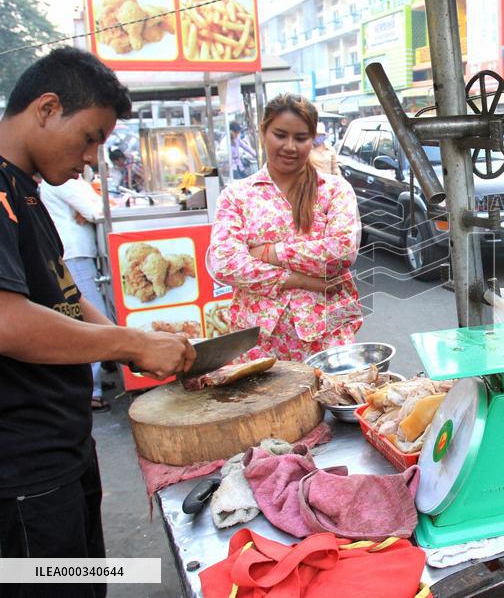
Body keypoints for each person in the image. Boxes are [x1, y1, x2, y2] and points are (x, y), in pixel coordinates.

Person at [0, 47, 195, 598]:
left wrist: (135, 345)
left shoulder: (27, 193)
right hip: (20, 471)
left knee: (88, 582)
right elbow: (8, 323)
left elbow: (62, 295)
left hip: (61, 451)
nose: (91, 158)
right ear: (45, 108)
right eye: (89, 136)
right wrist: (130, 341)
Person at [208, 94, 362, 362]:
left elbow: (340, 253)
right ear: (263, 133)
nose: (290, 146)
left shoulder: (335, 190)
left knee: (338, 401)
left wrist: (268, 253)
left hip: (329, 336)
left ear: (312, 139)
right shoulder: (237, 195)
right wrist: (302, 280)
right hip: (259, 342)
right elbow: (225, 263)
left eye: (301, 138)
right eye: (280, 135)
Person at [38, 174, 117, 412]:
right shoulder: (61, 178)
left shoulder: (68, 178)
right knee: (90, 318)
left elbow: (95, 208)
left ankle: (93, 383)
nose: (90, 155)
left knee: (93, 315)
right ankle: (92, 391)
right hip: (74, 253)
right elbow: (97, 210)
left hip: (79, 251)